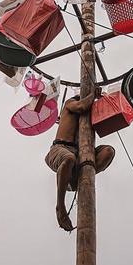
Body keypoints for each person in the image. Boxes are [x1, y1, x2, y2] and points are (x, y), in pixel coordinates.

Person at [44, 87, 115, 232]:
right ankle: (60, 206)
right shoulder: (71, 103)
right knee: (69, 159)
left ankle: (80, 177)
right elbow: (81, 106)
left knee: (108, 151)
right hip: (61, 149)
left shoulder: (92, 110)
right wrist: (92, 95)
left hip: (81, 156)